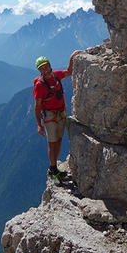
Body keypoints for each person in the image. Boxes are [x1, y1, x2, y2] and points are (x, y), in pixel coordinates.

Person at [33, 51, 82, 184]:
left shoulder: (56, 76)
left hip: (61, 112)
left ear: (49, 65)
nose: (45, 69)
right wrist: (39, 124)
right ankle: (54, 170)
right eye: (42, 68)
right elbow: (37, 106)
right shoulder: (40, 85)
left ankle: (53, 168)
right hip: (49, 115)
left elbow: (69, 71)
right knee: (52, 142)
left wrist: (72, 56)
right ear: (40, 71)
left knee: (59, 139)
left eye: (46, 66)